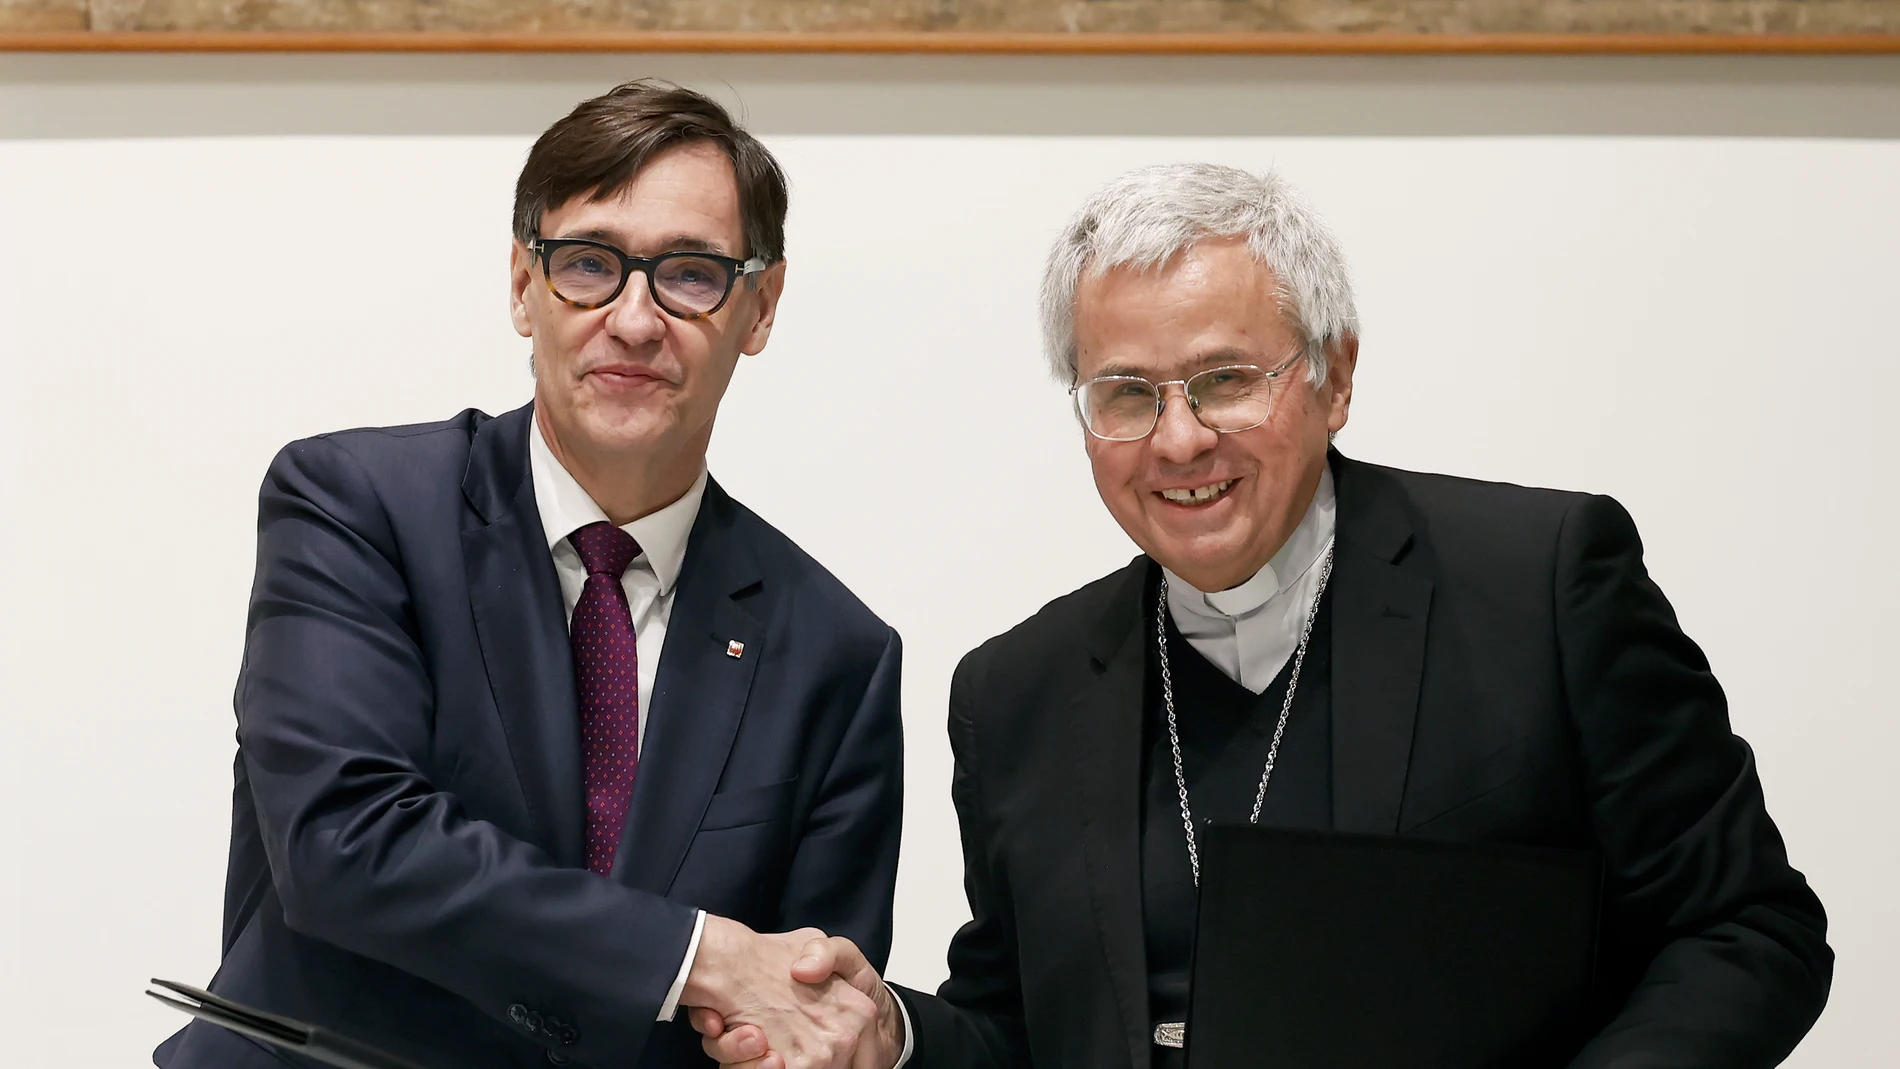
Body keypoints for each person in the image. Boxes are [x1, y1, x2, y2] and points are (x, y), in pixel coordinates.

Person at [698, 163, 1832, 1069]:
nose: (1180, 440)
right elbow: (1020, 1030)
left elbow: (1745, 933)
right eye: (1127, 394)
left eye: (1227, 380)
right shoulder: (1016, 691)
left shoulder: (1540, 587)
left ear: (1334, 377)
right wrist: (892, 1037)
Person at [155, 80, 900, 1069]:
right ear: (522, 285)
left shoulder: (836, 654)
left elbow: (806, 1011)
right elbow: (347, 844)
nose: (634, 321)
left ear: (758, 306)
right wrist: (695, 955)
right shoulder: (355, 507)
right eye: (588, 264)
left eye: (689, 274)